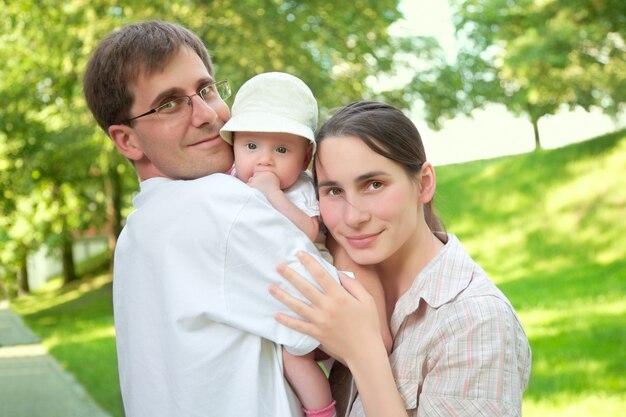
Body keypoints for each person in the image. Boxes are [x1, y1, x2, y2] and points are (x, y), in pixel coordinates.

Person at [83, 20, 342, 417]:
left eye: (205, 89)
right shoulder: (218, 205)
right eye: (169, 103)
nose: (207, 114)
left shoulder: (137, 230)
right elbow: (347, 328)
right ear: (128, 140)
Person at [269, 101, 532, 416]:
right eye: (334, 192)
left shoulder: (477, 321)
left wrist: (364, 352)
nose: (352, 217)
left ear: (424, 184)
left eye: (374, 185)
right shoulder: (338, 287)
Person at [220, 72, 392, 417]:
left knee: (293, 354)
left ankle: (321, 410)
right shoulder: (227, 185)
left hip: (311, 282)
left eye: (281, 149)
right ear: (234, 146)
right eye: (251, 146)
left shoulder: (299, 188)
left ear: (304, 157)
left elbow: (310, 229)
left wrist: (272, 194)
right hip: (268, 285)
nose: (264, 160)